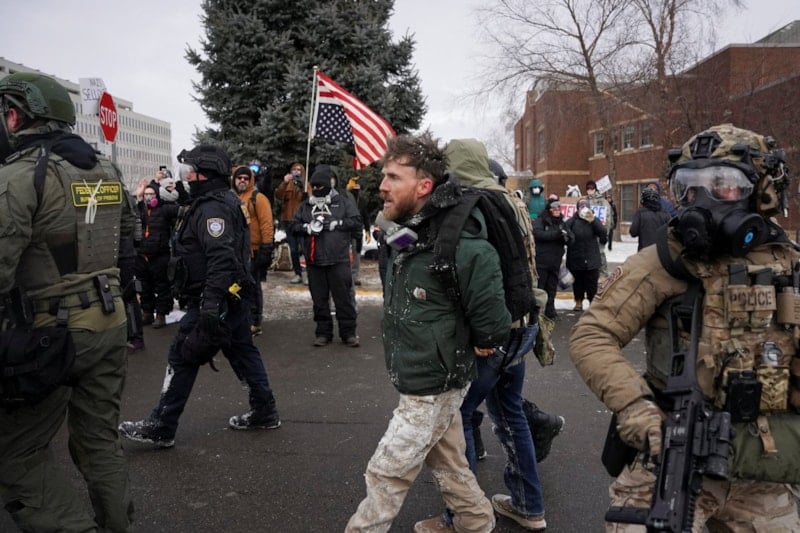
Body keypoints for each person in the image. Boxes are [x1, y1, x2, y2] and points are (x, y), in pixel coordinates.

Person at [570, 124, 800, 532]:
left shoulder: (787, 263)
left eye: (722, 185)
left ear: (761, 191)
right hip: (672, 451)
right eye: (689, 187)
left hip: (762, 462)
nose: (702, 199)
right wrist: (635, 405)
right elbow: (593, 335)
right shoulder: (665, 259)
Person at [345, 133, 509, 533]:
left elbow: (492, 316)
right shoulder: (413, 229)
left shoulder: (461, 243)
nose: (382, 186)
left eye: (393, 177)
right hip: (422, 372)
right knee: (448, 460)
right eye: (384, 175)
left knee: (388, 469)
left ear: (423, 186)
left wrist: (486, 340)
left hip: (434, 383)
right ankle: (476, 522)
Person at [0, 72, 135, 531]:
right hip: (110, 320)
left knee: (17, 453)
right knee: (99, 441)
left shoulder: (18, 176)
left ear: (15, 116)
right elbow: (129, 235)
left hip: (49, 334)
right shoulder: (106, 168)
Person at [119, 144, 281, 448]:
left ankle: (162, 425)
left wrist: (210, 306)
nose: (187, 177)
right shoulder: (216, 201)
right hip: (229, 297)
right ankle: (264, 409)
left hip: (214, 298)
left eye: (192, 172)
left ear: (206, 174)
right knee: (242, 351)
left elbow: (220, 258)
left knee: (182, 355)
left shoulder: (213, 209)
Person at [432, 138, 548, 532]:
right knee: (511, 413)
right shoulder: (511, 199)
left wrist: (483, 335)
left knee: (459, 417)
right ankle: (529, 506)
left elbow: (482, 277)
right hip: (523, 325)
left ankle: (461, 517)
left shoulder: (473, 205)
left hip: (494, 333)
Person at [290, 164, 361, 347]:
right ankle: (323, 332)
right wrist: (307, 228)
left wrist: (337, 224)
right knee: (319, 300)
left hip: (338, 259)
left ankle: (348, 333)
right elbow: (293, 226)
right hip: (315, 260)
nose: (316, 189)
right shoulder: (306, 206)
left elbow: (356, 222)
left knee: (343, 299)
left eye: (319, 186)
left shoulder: (342, 202)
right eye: (313, 186)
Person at [232, 164, 274, 336]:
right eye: (239, 178)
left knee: (252, 286)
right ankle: (239, 319)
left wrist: (266, 247)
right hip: (235, 250)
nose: (242, 181)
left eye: (246, 178)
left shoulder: (258, 198)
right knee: (236, 286)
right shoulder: (230, 197)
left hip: (253, 250)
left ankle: (254, 321)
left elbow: (266, 223)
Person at [133, 179, 179, 328]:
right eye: (146, 194)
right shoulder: (140, 209)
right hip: (142, 255)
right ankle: (147, 312)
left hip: (160, 255)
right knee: (144, 286)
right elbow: (134, 213)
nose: (148, 197)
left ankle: (161, 315)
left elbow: (181, 209)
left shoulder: (164, 209)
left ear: (157, 195)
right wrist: (138, 196)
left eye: (151, 194)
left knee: (162, 287)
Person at [565, 199, 607, 311]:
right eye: (581, 207)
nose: (583, 209)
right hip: (576, 257)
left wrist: (593, 220)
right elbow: (565, 235)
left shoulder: (594, 221)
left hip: (591, 257)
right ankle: (578, 301)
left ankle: (592, 302)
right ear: (577, 209)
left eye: (585, 207)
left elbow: (603, 233)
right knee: (578, 282)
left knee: (592, 283)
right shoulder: (572, 221)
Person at [534, 199, 572, 319]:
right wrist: (555, 234)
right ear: (549, 210)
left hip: (555, 262)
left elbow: (570, 236)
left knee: (552, 288)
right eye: (554, 209)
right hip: (542, 261)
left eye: (558, 209)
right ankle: (536, 314)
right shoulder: (541, 220)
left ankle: (550, 312)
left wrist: (568, 238)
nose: (557, 211)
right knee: (540, 288)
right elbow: (538, 234)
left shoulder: (562, 222)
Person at [274, 162, 307, 283]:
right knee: (293, 249)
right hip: (288, 220)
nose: (296, 171)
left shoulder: (306, 183)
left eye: (299, 169)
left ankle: (308, 274)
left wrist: (302, 186)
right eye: (294, 169)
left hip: (302, 221)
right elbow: (278, 195)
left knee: (305, 248)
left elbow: (309, 197)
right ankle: (298, 273)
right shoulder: (287, 184)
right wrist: (284, 182)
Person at [583, 180, 613, 276]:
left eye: (592, 188)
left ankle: (603, 273)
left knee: (600, 253)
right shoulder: (583, 201)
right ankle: (591, 273)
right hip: (587, 233)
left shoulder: (603, 202)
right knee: (587, 253)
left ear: (595, 189)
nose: (590, 190)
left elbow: (608, 218)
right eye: (588, 188)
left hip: (599, 232)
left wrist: (605, 233)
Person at [345, 176, 371, 286]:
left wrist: (368, 230)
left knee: (357, 252)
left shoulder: (362, 200)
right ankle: (344, 274)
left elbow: (366, 216)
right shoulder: (345, 197)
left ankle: (354, 275)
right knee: (344, 252)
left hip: (357, 230)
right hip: (345, 229)